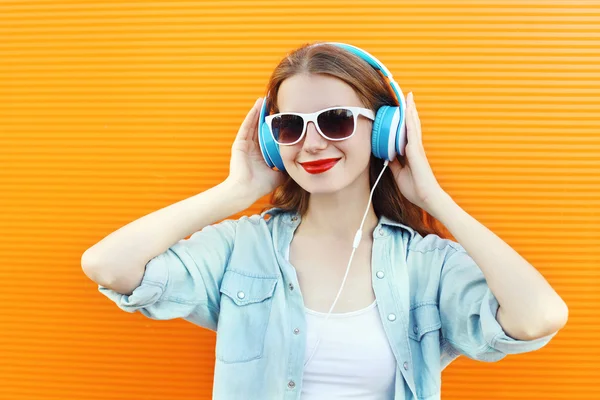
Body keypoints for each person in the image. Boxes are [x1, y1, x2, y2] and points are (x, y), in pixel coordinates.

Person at [81, 42, 568, 400]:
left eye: (335, 120)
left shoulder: (426, 266)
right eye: (290, 127)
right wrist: (236, 192)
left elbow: (538, 317)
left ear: (384, 131)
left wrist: (434, 199)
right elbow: (108, 265)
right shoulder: (240, 247)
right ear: (274, 142)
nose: (311, 144)